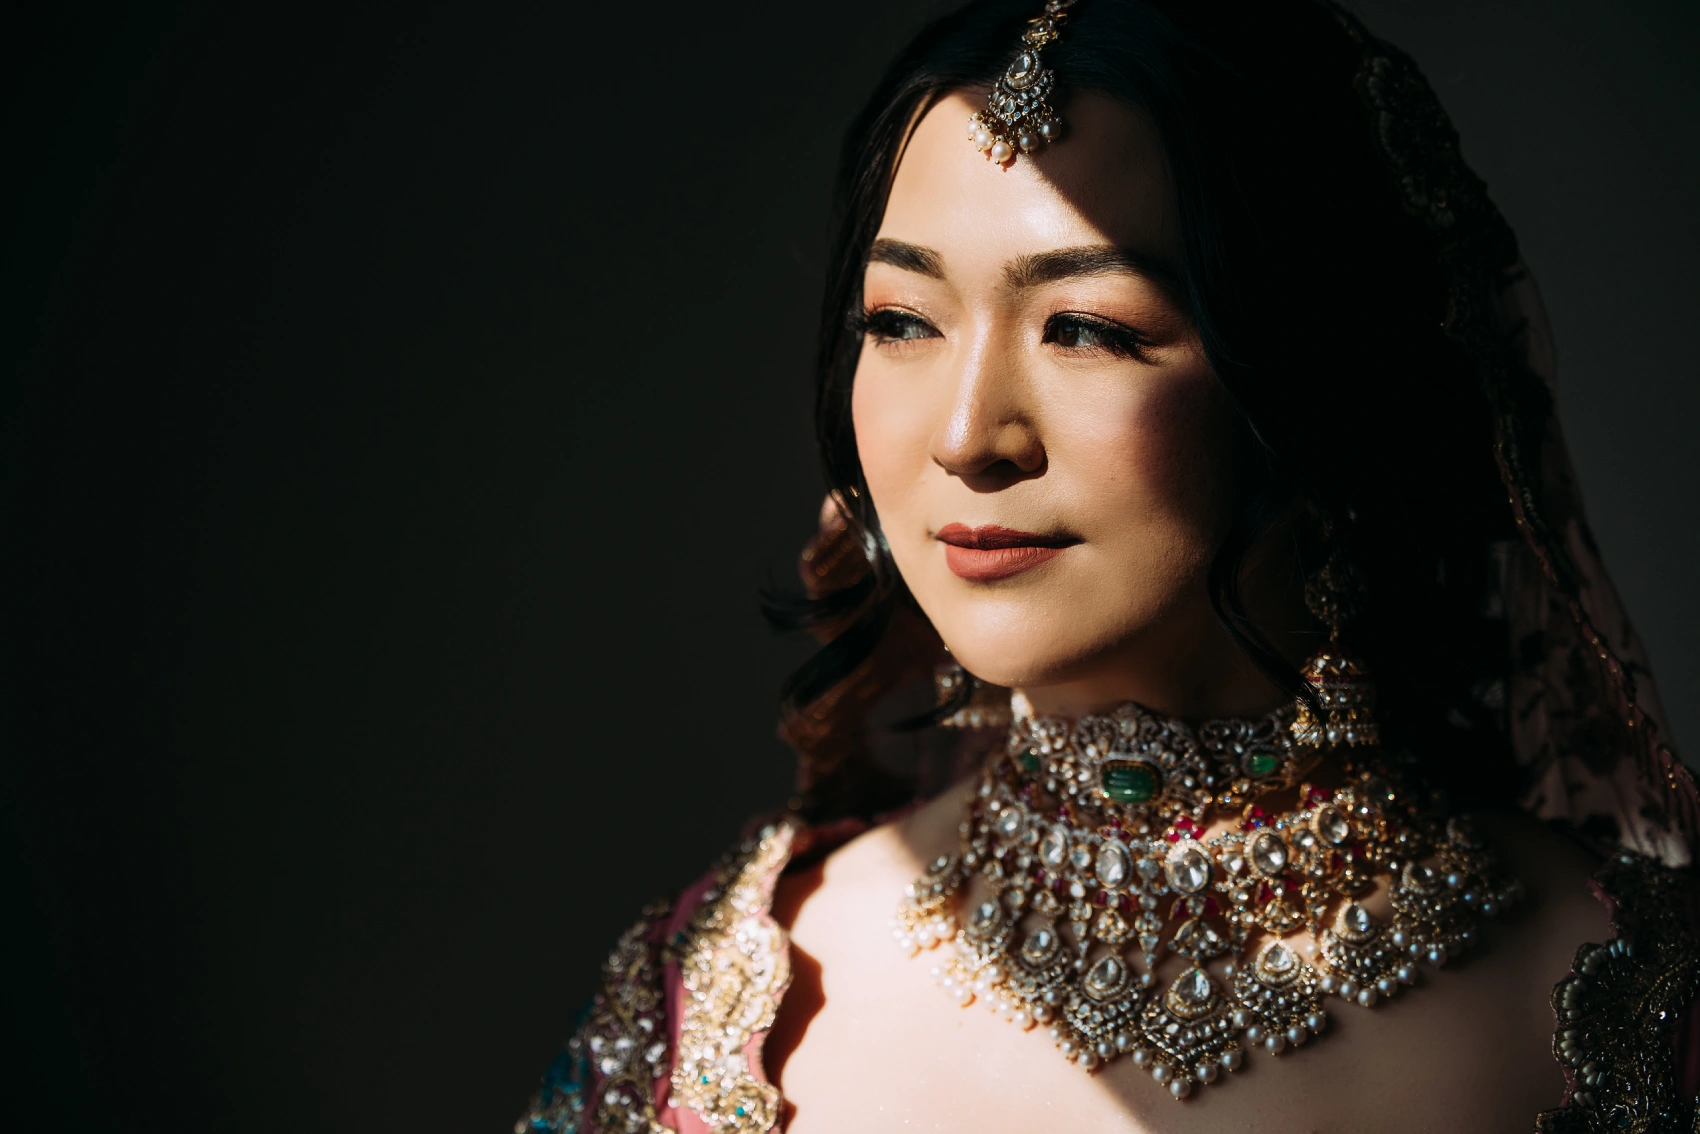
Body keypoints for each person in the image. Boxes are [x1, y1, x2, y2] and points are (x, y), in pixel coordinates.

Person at [518, 1, 1700, 1130]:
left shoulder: (1636, 999)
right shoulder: (734, 987)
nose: (965, 435)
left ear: (1314, 392)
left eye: (1085, 328)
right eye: (899, 321)